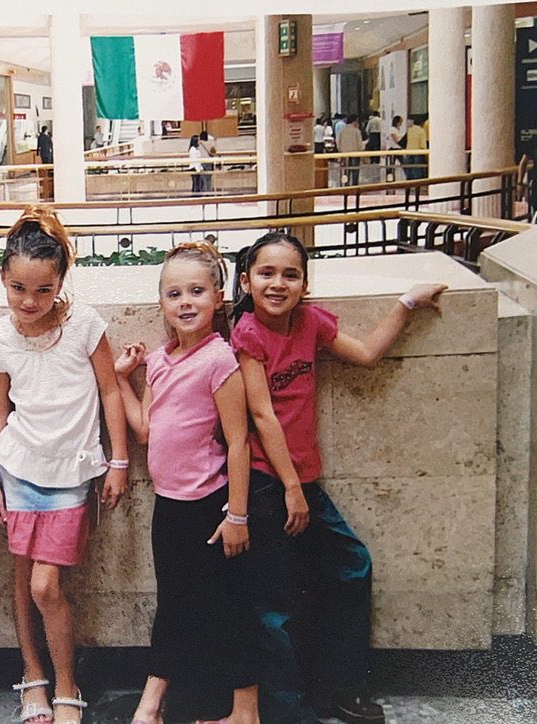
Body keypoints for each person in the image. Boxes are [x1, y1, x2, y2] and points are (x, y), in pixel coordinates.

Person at [230, 232, 447, 724]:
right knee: (273, 603)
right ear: (246, 281)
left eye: (291, 275)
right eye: (266, 273)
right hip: (267, 482)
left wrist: (407, 303)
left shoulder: (310, 322)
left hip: (303, 482)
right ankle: (286, 711)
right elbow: (262, 416)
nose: (278, 284)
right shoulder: (247, 333)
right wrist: (290, 488)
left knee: (351, 567)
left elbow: (366, 353)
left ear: (305, 285)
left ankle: (342, 689)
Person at [0, 206, 128, 724]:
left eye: (43, 290)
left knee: (46, 585)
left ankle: (67, 682)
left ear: (61, 282)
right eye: (18, 288)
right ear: (3, 277)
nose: (29, 301)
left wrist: (118, 460)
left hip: (71, 474)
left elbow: (111, 391)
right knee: (23, 581)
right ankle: (33, 678)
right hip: (18, 469)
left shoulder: (85, 325)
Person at [114, 242, 258, 724]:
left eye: (197, 291)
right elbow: (144, 430)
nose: (186, 302)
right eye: (174, 293)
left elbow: (238, 442)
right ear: (161, 302)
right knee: (173, 604)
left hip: (210, 506)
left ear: (218, 297)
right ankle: (152, 706)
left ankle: (245, 712)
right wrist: (121, 379)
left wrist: (237, 515)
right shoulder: (159, 361)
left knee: (229, 607)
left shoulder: (219, 359)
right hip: (169, 506)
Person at [337, 116, 364, 187]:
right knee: (355, 172)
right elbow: (360, 144)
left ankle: (346, 185)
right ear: (353, 122)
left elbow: (338, 142)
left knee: (346, 171)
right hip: (355, 154)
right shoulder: (356, 131)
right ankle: (355, 186)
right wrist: (361, 151)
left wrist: (340, 150)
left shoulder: (342, 131)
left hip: (345, 154)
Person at [404, 115, 428, 181]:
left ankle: (408, 186)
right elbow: (423, 144)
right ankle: (418, 186)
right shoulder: (421, 130)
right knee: (418, 173)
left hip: (409, 152)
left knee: (409, 172)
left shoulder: (410, 130)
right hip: (418, 152)